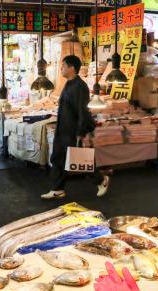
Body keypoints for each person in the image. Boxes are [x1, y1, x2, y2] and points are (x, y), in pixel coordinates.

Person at [41, 55, 110, 200]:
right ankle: (57, 189)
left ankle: (101, 180)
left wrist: (80, 132)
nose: (61, 68)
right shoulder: (68, 83)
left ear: (72, 68)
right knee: (58, 158)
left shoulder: (80, 86)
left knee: (80, 160)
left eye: (63, 66)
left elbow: (82, 110)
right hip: (62, 128)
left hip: (72, 130)